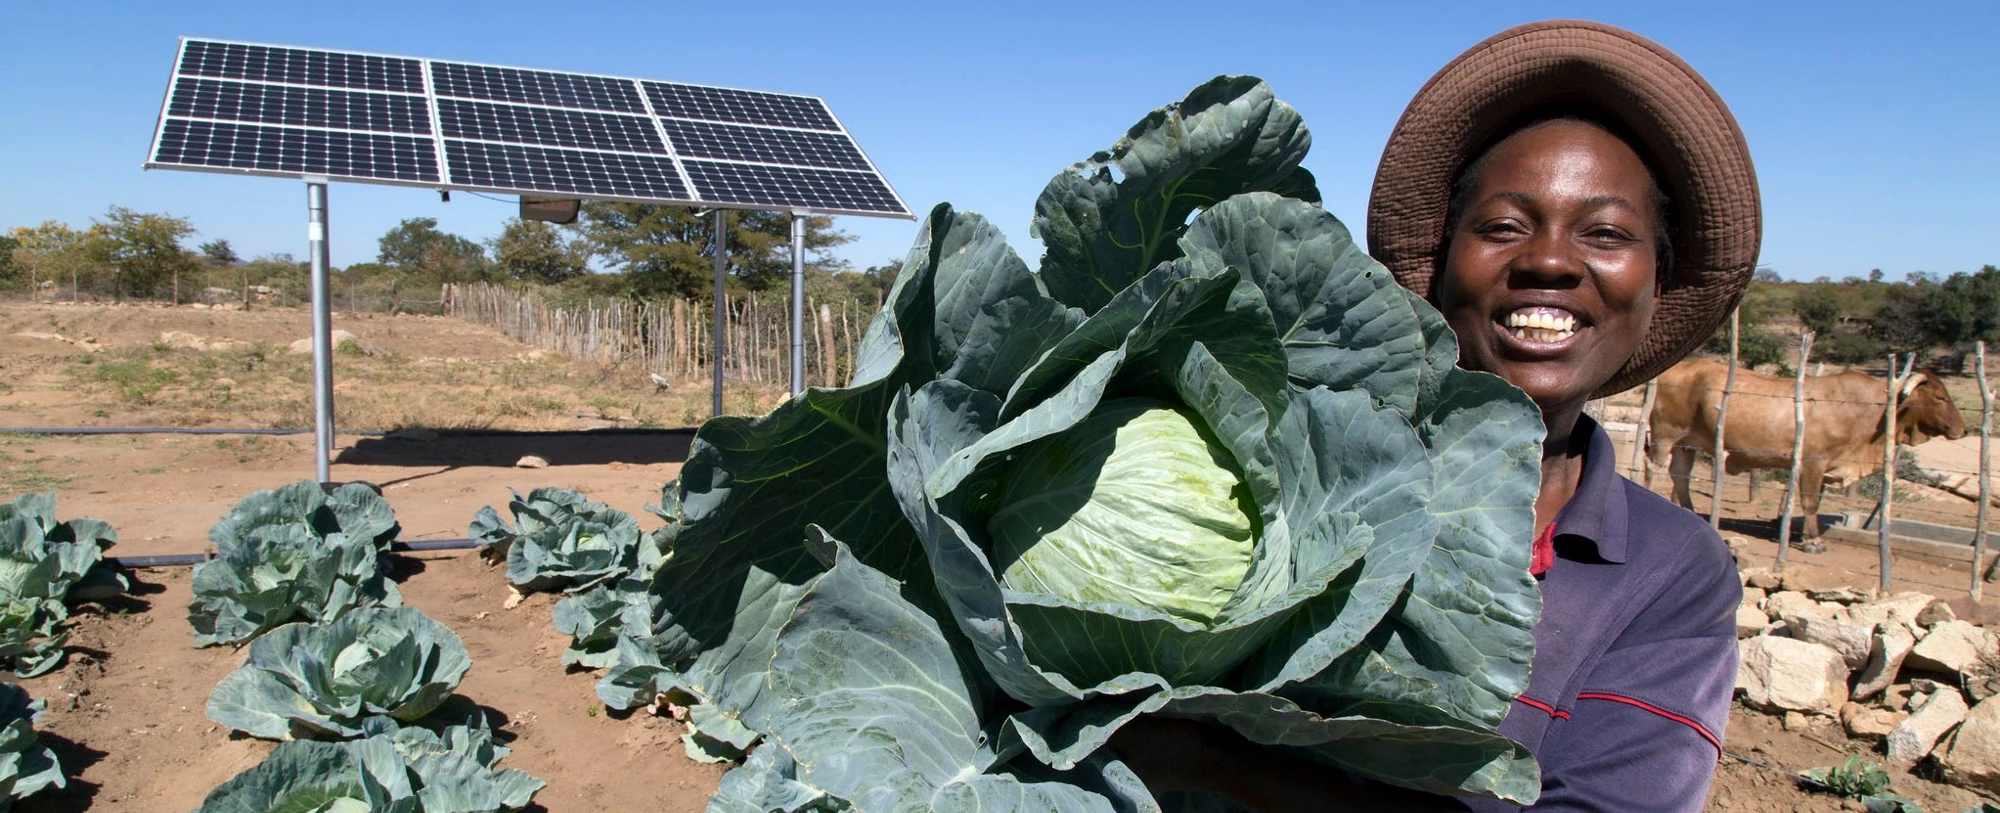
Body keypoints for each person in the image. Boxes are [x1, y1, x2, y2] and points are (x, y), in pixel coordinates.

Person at [1114, 20, 1759, 811]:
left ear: (1655, 282)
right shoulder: (1275, 459)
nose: (1550, 260)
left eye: (1606, 233)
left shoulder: (1672, 574)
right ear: (1443, 260)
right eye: (1502, 226)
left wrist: (1216, 765)